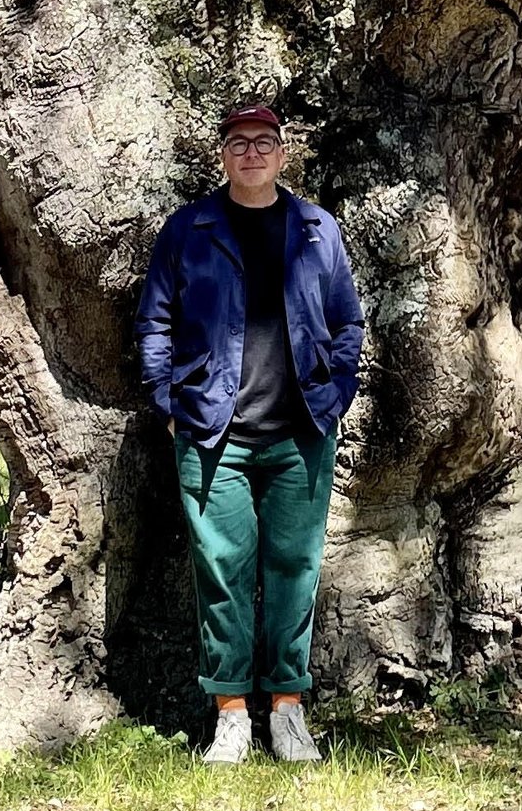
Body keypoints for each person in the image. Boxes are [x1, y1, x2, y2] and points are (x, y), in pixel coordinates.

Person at [135, 102, 365, 764]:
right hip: (213, 437)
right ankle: (231, 713)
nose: (252, 152)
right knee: (223, 572)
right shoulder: (188, 230)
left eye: (265, 141)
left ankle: (288, 709)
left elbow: (348, 323)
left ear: (283, 153)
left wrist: (337, 393)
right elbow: (154, 323)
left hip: (302, 434)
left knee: (295, 568)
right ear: (223, 154)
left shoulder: (318, 229)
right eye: (239, 142)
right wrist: (169, 403)